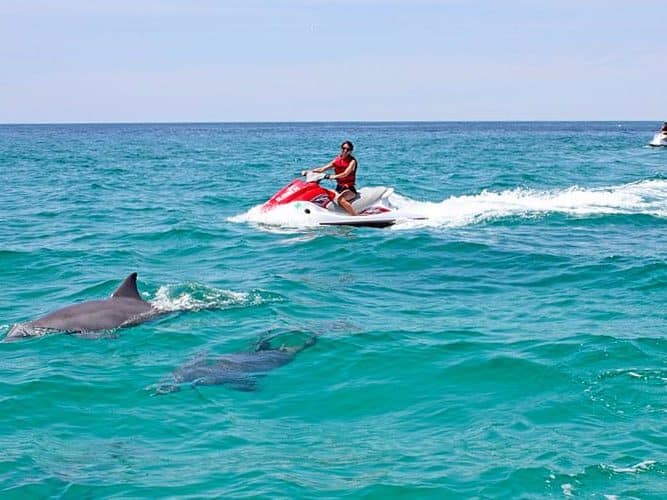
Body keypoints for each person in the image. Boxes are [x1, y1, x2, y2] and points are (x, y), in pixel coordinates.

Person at [312, 140, 358, 216]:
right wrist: (310, 172)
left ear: (351, 151)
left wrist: (332, 176)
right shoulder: (337, 159)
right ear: (341, 148)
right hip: (339, 188)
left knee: (341, 200)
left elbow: (345, 174)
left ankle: (355, 216)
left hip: (349, 189)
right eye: (344, 148)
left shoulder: (352, 161)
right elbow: (322, 169)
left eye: (348, 149)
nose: (345, 151)